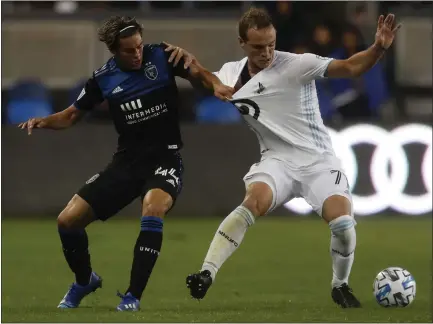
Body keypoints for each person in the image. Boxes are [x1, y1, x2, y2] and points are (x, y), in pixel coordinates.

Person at [177, 8, 400, 308]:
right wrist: (196, 67)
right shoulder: (232, 72)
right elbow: (206, 79)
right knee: (251, 203)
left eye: (271, 43)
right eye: (258, 46)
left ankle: (340, 285)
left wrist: (377, 48)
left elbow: (350, 67)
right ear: (242, 42)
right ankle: (206, 273)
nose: (267, 52)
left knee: (344, 225)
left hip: (318, 160)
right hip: (276, 160)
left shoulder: (297, 64)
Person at [18, 16, 233, 312]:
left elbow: (198, 71)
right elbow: (70, 115)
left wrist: (218, 85)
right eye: (130, 50)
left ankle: (133, 296)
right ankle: (84, 281)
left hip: (165, 158)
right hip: (127, 163)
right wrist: (43, 121)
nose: (138, 54)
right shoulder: (103, 79)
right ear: (114, 51)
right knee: (67, 221)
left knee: (153, 208)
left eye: (140, 46)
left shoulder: (164, 55)